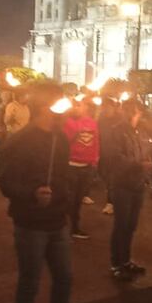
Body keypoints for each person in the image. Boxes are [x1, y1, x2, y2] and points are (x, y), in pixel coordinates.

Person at [0, 83, 85, 303]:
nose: (64, 110)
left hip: (57, 220)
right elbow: (6, 182)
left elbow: (64, 176)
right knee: (30, 281)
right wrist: (32, 193)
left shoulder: (60, 139)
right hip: (30, 222)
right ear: (43, 107)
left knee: (64, 276)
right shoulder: (19, 141)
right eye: (58, 104)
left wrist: (61, 197)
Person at [109, 99, 152, 280]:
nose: (133, 114)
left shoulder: (140, 131)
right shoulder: (117, 131)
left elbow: (146, 149)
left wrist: (147, 161)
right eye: (128, 110)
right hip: (122, 184)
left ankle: (126, 260)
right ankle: (116, 264)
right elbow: (116, 157)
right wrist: (139, 165)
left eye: (135, 111)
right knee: (121, 224)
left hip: (137, 184)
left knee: (131, 225)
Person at [63, 98, 99, 239]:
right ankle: (66, 228)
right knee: (69, 199)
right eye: (76, 105)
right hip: (71, 165)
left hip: (86, 166)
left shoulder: (92, 123)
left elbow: (96, 142)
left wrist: (94, 160)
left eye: (80, 105)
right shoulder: (67, 121)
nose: (78, 108)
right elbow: (65, 141)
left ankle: (74, 227)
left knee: (78, 199)